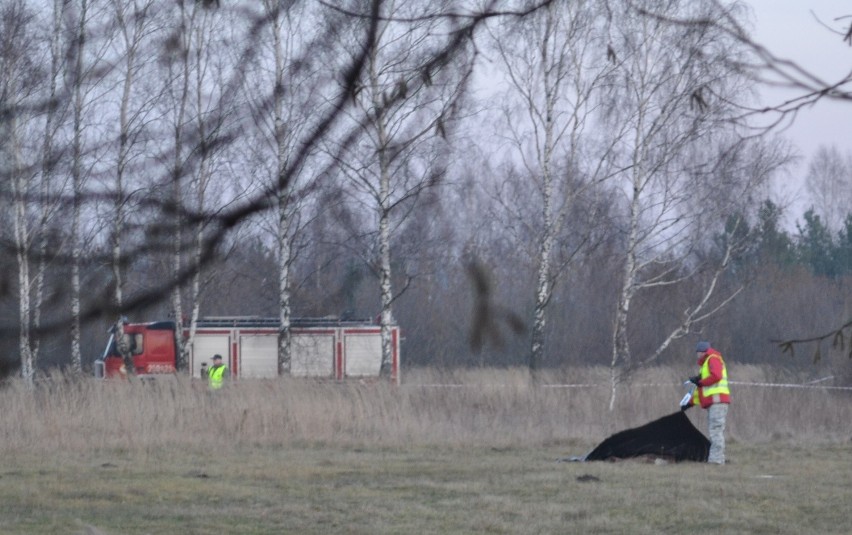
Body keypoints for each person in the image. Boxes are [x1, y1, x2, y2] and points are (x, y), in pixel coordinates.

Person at [681, 340, 730, 465]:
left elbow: (716, 376)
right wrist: (689, 403)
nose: (697, 355)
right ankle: (718, 459)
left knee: (715, 431)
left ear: (703, 352)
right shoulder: (705, 365)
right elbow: (701, 390)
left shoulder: (713, 359)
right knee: (715, 431)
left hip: (717, 402)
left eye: (699, 352)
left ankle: (716, 461)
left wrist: (700, 381)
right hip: (714, 403)